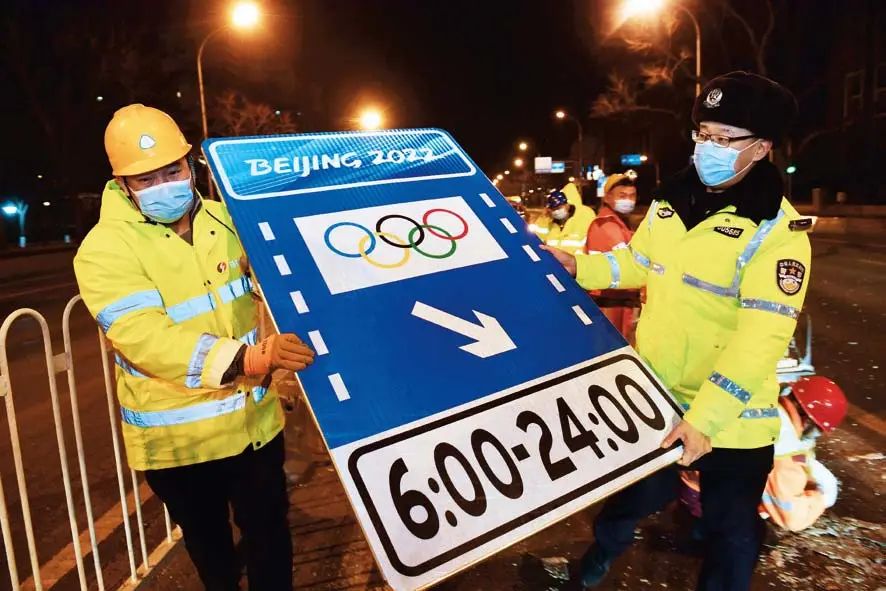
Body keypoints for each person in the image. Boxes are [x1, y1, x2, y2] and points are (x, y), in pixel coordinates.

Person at [541, 72, 809, 590]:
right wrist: (579, 267)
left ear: (761, 148)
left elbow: (761, 338)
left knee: (732, 536)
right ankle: (587, 573)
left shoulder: (778, 232)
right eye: (703, 134)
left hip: (731, 420)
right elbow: (637, 263)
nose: (708, 147)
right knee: (627, 503)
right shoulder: (671, 202)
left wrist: (704, 420)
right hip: (659, 400)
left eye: (724, 138)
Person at [74, 104, 315, 591]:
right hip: (180, 443)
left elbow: (288, 273)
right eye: (146, 179)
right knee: (214, 555)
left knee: (270, 537)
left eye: (172, 171)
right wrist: (250, 358)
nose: (164, 185)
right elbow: (144, 335)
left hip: (252, 424)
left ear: (191, 166)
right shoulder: (104, 249)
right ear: (122, 184)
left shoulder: (228, 222)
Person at [680, 376, 848, 532]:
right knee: (748, 540)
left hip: (692, 474)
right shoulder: (785, 452)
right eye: (815, 432)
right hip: (709, 500)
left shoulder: (765, 404)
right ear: (807, 422)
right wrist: (821, 498)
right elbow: (792, 518)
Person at [584, 174, 641, 339]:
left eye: (632, 196)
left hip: (618, 302)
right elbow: (632, 263)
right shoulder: (606, 225)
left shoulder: (620, 223)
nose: (628, 200)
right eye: (622, 196)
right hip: (610, 305)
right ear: (608, 197)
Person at [529, 182, 596, 255]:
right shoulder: (549, 221)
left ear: (567, 205)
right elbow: (535, 239)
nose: (556, 211)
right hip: (553, 261)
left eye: (558, 208)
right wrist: (544, 218)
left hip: (577, 261)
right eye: (553, 209)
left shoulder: (585, 215)